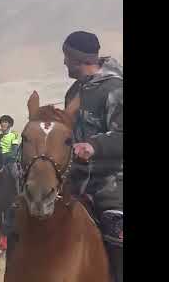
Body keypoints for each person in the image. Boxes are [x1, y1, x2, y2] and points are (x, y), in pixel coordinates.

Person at [63, 31, 123, 282]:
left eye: (66, 57)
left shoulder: (115, 89)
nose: (64, 63)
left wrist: (94, 146)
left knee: (116, 232)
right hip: (76, 181)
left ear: (77, 59)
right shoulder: (73, 92)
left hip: (112, 185)